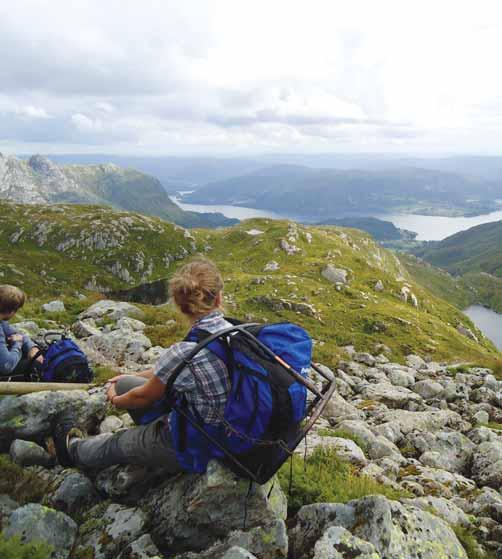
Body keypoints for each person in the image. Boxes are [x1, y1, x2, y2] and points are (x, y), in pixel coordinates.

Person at [52, 258, 233, 472]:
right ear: (219, 297)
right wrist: (129, 377)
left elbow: (142, 397)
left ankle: (71, 451)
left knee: (118, 442)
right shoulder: (236, 331)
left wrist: (114, 398)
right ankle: (149, 437)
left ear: (179, 305)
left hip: (198, 444)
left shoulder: (184, 352)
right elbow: (165, 372)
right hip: (232, 425)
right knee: (126, 382)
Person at [0, 285, 43, 378]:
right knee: (36, 365)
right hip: (4, 367)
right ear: (12, 311)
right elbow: (6, 366)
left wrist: (32, 348)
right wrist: (17, 344)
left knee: (34, 353)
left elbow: (18, 334)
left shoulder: (2, 322)